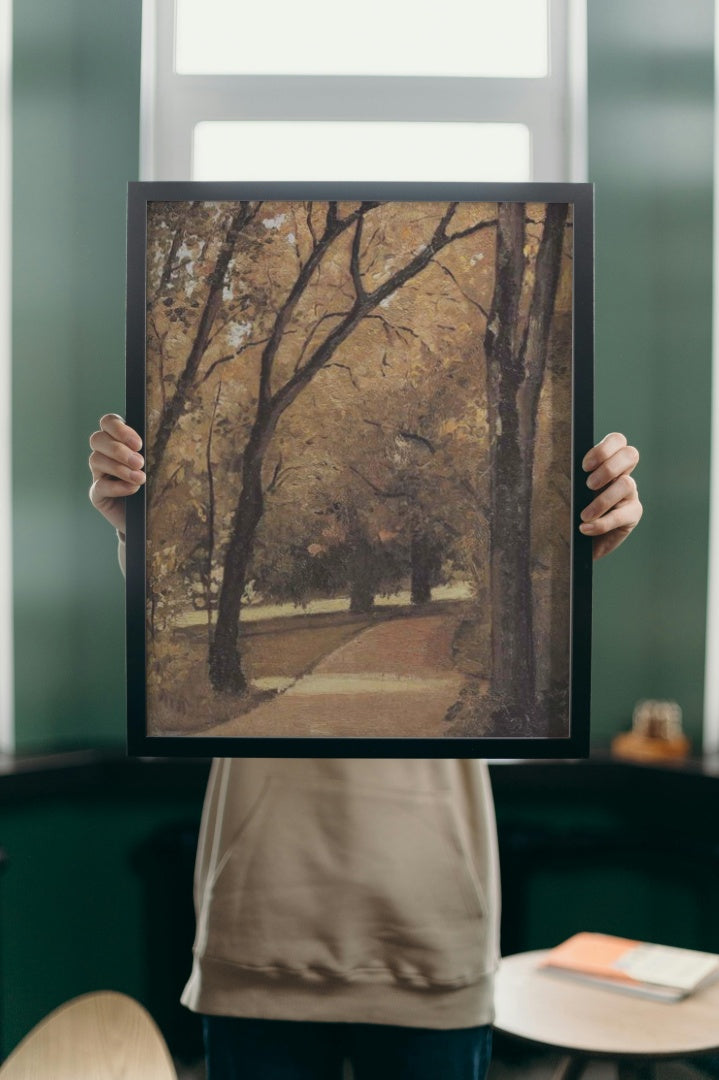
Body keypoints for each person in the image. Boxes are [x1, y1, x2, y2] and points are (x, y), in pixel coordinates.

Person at [89, 416, 642, 1080]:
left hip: (433, 934)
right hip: (260, 931)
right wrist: (138, 523)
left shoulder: (496, 466)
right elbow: (170, 622)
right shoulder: (241, 461)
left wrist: (571, 551)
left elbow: (528, 619)